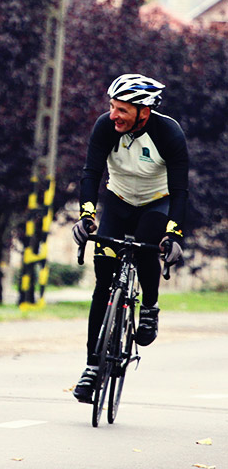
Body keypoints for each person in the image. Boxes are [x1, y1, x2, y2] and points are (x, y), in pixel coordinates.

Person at [71, 73, 188, 403]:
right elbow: (91, 173)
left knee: (145, 250)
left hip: (156, 203)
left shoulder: (168, 133)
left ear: (143, 112)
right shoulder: (105, 127)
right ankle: (93, 366)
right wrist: (86, 215)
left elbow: (180, 191)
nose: (113, 115)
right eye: (112, 107)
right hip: (118, 202)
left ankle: (149, 306)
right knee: (103, 281)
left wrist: (174, 233)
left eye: (121, 109)